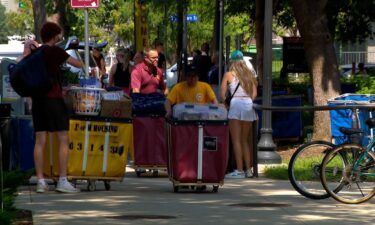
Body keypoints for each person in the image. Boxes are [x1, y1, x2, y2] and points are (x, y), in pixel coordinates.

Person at [33, 22, 83, 193]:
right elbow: (79, 64)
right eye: (59, 35)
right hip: (54, 99)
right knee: (63, 138)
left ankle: (41, 181)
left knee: (40, 141)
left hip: (38, 100)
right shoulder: (56, 51)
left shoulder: (36, 52)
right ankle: (62, 179)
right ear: (54, 36)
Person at [220, 50, 258, 179]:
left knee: (236, 141)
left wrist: (225, 104)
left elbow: (222, 94)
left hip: (235, 105)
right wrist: (248, 101)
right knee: (245, 140)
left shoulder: (228, 75)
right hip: (248, 105)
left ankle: (240, 170)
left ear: (232, 61)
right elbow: (254, 93)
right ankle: (249, 170)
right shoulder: (249, 75)